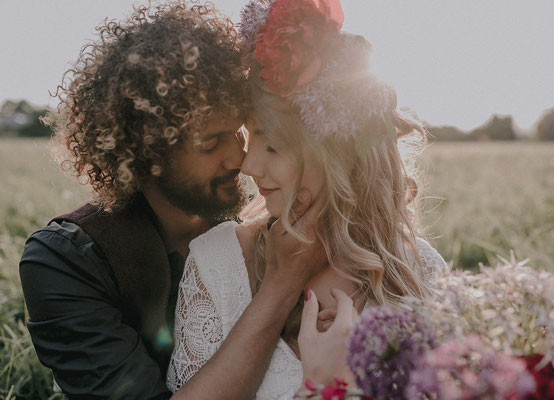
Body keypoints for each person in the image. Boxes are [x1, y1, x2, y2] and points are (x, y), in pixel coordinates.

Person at [19, 2, 327, 399]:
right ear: (147, 151)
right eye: (210, 143)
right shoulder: (64, 261)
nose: (240, 160)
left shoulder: (264, 223)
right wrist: (281, 287)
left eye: (237, 133)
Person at [166, 0, 448, 398]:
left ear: (339, 156)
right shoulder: (218, 263)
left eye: (273, 145)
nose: (248, 165)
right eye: (251, 137)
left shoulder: (421, 271)